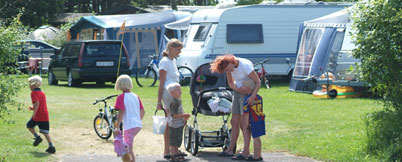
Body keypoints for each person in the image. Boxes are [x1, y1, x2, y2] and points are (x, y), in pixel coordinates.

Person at [211, 54, 261, 160]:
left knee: (244, 124)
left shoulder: (245, 65)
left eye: (227, 69)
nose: (228, 71)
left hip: (247, 95)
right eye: (225, 70)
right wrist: (237, 89)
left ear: (231, 62)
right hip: (237, 93)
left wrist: (252, 97)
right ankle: (230, 149)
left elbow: (258, 82)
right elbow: (230, 82)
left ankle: (246, 151)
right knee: (234, 122)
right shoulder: (228, 68)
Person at [156, 38, 185, 159]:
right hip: (169, 94)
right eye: (178, 50)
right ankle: (169, 150)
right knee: (171, 121)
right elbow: (161, 82)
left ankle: (172, 149)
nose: (179, 52)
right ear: (171, 48)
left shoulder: (172, 61)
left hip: (175, 93)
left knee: (174, 121)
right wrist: (158, 101)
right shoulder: (165, 61)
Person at [114, 75, 145, 162]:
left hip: (129, 126)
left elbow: (121, 113)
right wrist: (138, 120)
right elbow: (142, 111)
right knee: (127, 147)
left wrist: (117, 126)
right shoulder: (135, 96)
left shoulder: (121, 97)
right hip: (137, 125)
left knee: (128, 149)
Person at [26, 75, 56, 154]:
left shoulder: (33, 93)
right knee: (45, 132)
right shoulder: (42, 93)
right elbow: (39, 104)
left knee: (29, 126)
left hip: (38, 116)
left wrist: (34, 113)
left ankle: (38, 138)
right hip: (44, 114)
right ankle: (51, 146)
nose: (29, 86)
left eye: (30, 84)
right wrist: (33, 108)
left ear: (34, 84)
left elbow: (37, 103)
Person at [166, 83, 190, 162]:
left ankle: (176, 153)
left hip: (178, 124)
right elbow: (174, 115)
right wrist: (184, 115)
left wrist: (184, 118)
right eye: (178, 90)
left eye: (180, 89)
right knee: (173, 141)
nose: (180, 91)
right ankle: (174, 155)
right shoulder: (174, 102)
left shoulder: (178, 101)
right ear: (172, 92)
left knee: (177, 140)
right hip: (174, 125)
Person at [242, 80, 265, 161]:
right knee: (257, 137)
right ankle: (259, 154)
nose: (242, 88)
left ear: (248, 89)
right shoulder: (259, 97)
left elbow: (246, 113)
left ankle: (255, 156)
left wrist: (246, 123)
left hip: (254, 120)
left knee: (255, 138)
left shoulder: (247, 100)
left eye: (243, 86)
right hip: (260, 118)